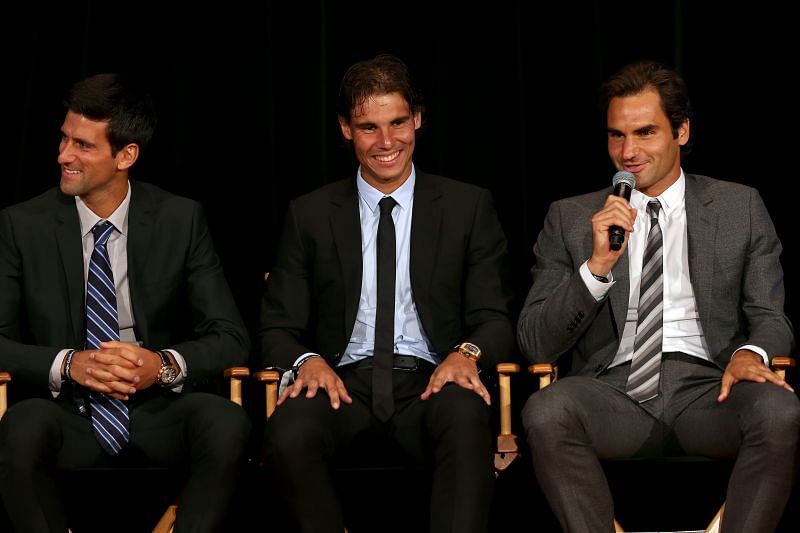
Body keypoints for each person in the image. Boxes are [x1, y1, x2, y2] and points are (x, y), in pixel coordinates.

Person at [518, 59, 800, 533]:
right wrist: (596, 268)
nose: (627, 152)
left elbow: (770, 315)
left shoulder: (739, 207)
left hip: (711, 389)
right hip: (612, 390)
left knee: (779, 410)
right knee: (546, 410)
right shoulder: (570, 217)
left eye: (645, 133)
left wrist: (751, 354)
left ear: (682, 132)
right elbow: (536, 343)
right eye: (616, 135)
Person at [260, 53, 515, 533]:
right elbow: (276, 327)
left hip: (431, 380)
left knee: (465, 418)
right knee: (289, 430)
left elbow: (496, 317)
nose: (386, 142)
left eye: (398, 122)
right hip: (342, 383)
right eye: (368, 127)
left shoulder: (466, 206)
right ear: (345, 129)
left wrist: (466, 354)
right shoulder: (310, 214)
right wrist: (307, 361)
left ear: (417, 119)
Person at [0, 73, 251, 532]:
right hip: (66, 412)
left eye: (83, 146)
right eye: (64, 139)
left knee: (225, 422)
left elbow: (231, 336)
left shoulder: (180, 219)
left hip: (156, 409)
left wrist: (162, 365)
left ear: (126, 155)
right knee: (21, 427)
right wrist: (67, 364)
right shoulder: (22, 225)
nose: (63, 155)